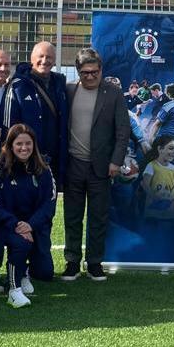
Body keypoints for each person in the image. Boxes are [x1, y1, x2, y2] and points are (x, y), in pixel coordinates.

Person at [60, 49, 129, 282]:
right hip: (73, 164)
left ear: (101, 70)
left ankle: (94, 263)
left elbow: (123, 131)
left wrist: (116, 161)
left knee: (98, 217)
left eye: (94, 72)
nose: (90, 76)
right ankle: (71, 262)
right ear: (78, 72)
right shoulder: (68, 90)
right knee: (72, 216)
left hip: (102, 166)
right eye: (85, 72)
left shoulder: (114, 93)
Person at [0, 125, 57, 308]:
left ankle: (23, 270)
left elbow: (49, 203)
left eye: (28, 143)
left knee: (44, 272)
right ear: (10, 145)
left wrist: (30, 225)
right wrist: (16, 224)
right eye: (19, 144)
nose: (24, 148)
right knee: (21, 243)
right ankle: (13, 289)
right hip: (7, 225)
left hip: (33, 226)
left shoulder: (44, 168)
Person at [7, 42, 67, 175]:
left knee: (50, 194)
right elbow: (9, 126)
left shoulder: (59, 83)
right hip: (26, 158)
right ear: (31, 58)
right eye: (41, 56)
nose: (44, 61)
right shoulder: (18, 86)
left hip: (54, 158)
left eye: (49, 57)